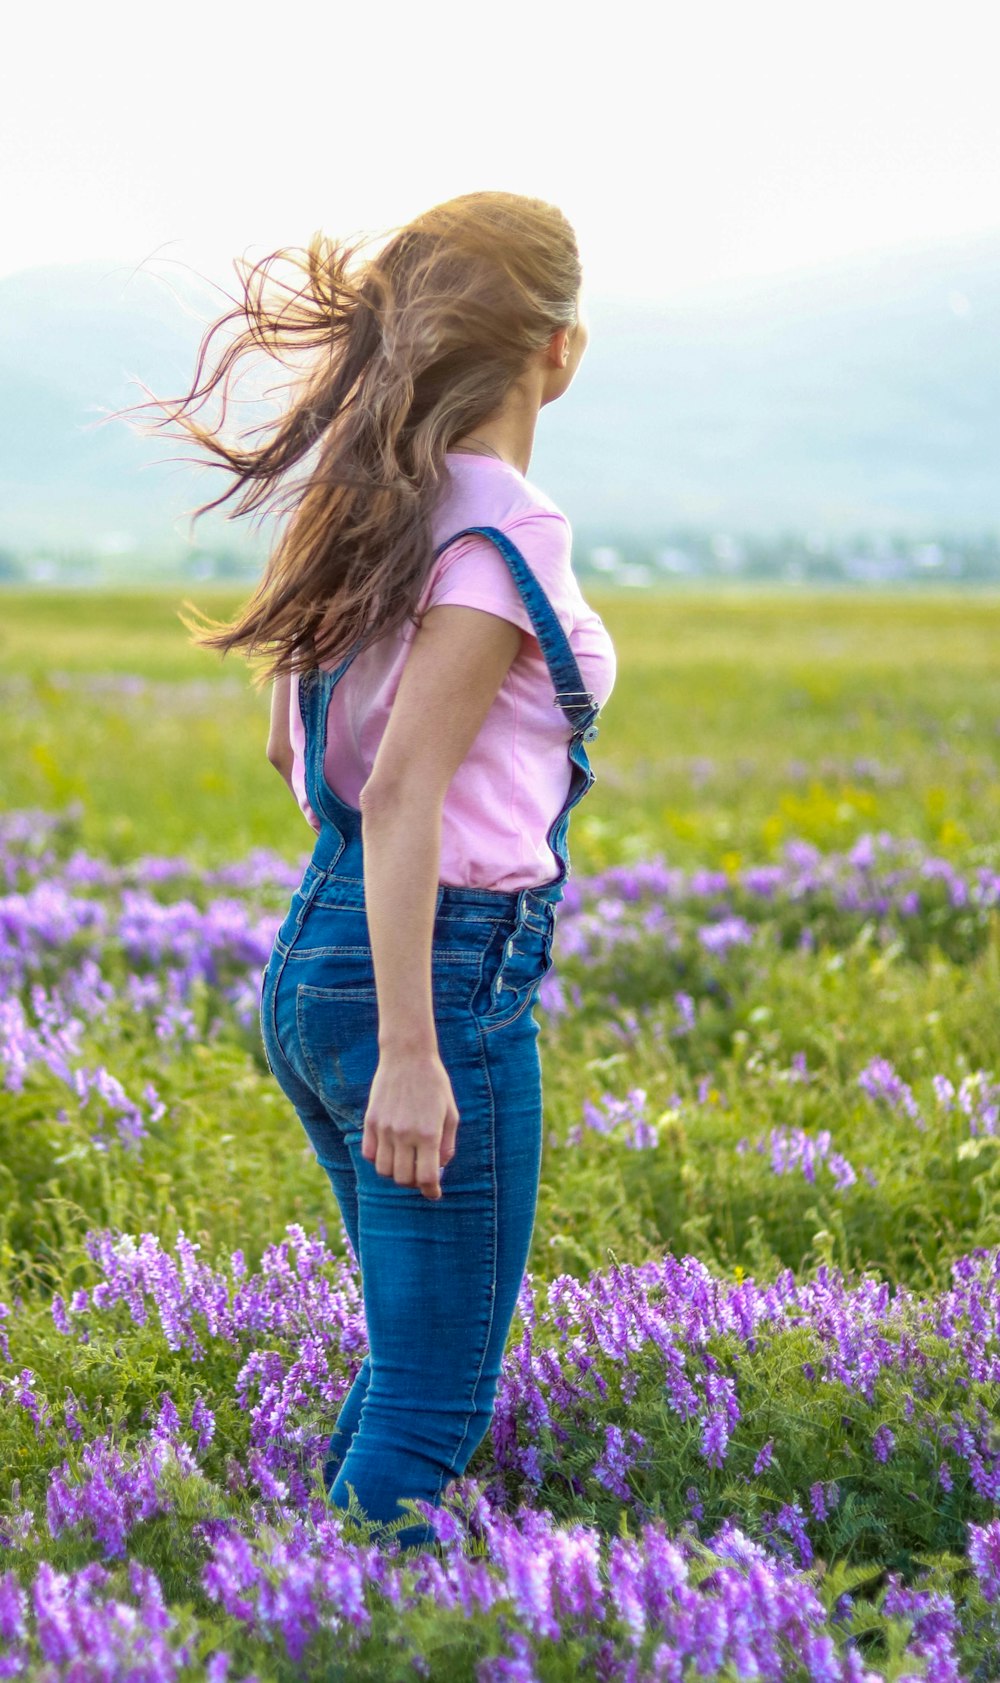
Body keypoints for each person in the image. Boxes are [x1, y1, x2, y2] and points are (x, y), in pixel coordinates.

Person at [136, 191, 616, 1549]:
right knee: (433, 1397)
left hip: (319, 959)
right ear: (555, 352)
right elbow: (405, 788)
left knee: (406, 1366)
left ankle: (297, 1597)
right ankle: (338, 1630)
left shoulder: (373, 512)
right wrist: (416, 1045)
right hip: (438, 982)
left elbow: (303, 756)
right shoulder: (502, 531)